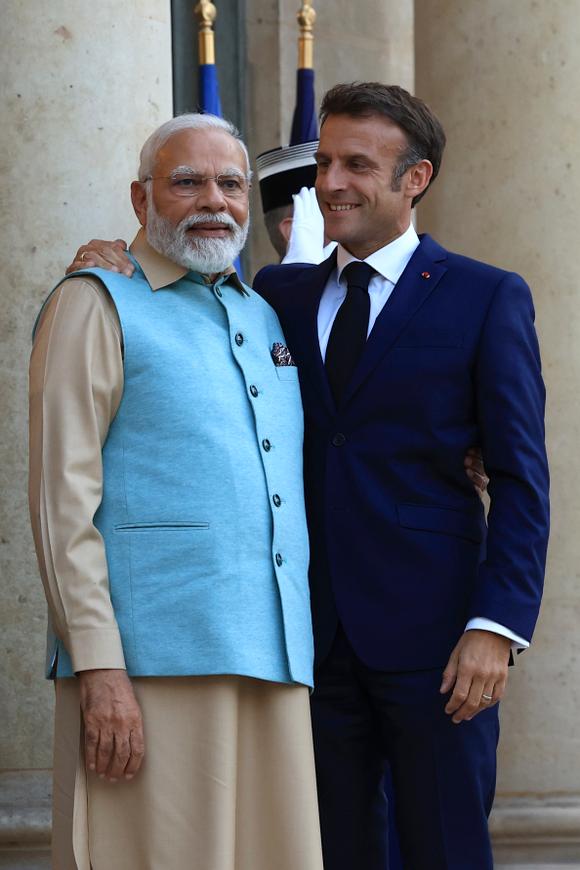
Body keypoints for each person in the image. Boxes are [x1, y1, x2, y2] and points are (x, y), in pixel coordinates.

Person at [252, 82, 550, 869]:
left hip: (441, 643)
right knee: (328, 853)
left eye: (356, 164)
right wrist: (111, 256)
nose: (329, 183)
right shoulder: (274, 294)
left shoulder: (485, 297)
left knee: (445, 850)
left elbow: (521, 476)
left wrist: (496, 626)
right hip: (307, 644)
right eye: (324, 162)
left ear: (414, 179)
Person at [29, 113, 324, 870]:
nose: (214, 202)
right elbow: (62, 503)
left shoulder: (264, 315)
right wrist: (98, 668)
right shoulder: (95, 301)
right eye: (187, 181)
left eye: (231, 184)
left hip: (275, 664)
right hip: (147, 671)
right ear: (141, 199)